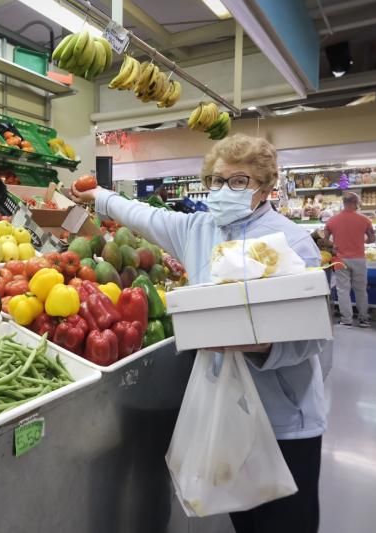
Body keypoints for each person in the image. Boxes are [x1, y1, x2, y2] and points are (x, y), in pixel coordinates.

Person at [71, 134, 329, 533]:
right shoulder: (198, 229)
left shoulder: (292, 242)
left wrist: (262, 345)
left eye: (239, 181)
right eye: (216, 180)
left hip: (282, 420)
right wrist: (98, 195)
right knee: (244, 518)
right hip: (224, 412)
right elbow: (142, 215)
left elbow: (312, 338)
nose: (225, 190)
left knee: (284, 523)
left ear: (265, 186)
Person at [324, 192, 376, 327]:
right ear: (356, 203)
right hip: (359, 258)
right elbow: (372, 239)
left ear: (343, 202)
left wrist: (334, 246)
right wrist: (361, 239)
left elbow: (325, 241)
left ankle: (346, 320)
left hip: (340, 259)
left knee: (342, 290)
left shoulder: (332, 220)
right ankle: (364, 319)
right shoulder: (365, 220)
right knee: (360, 289)